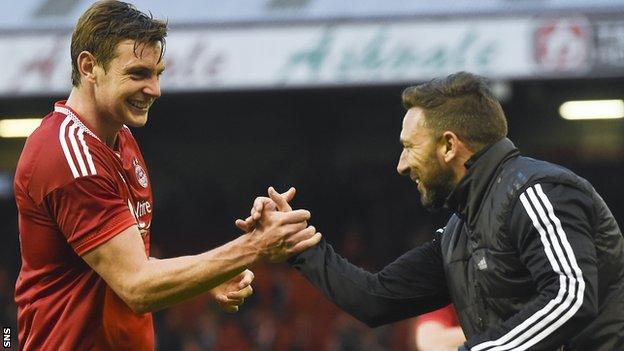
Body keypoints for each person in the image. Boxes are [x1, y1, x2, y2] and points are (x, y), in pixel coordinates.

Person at [13, 1, 321, 350]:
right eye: (138, 73)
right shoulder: (70, 155)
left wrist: (206, 278)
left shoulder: (121, 139)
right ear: (89, 67)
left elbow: (124, 262)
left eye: (158, 73)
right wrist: (255, 246)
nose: (155, 89)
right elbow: (137, 285)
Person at [239, 72, 624, 350]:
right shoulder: (461, 232)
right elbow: (375, 299)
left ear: (449, 146)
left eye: (409, 146)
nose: (401, 165)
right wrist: (295, 242)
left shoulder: (536, 192)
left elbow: (571, 297)